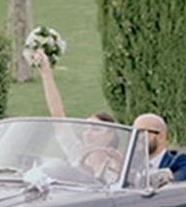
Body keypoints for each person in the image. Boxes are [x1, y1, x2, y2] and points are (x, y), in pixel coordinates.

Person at [32, 50, 122, 181]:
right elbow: (57, 114)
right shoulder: (77, 152)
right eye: (87, 128)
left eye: (96, 129)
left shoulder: (117, 163)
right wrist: (46, 72)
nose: (88, 133)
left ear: (110, 135)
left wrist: (120, 165)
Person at [131, 112, 186, 181]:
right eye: (134, 133)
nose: (137, 138)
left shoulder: (181, 162)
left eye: (142, 133)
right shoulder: (132, 163)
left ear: (161, 137)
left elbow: (172, 188)